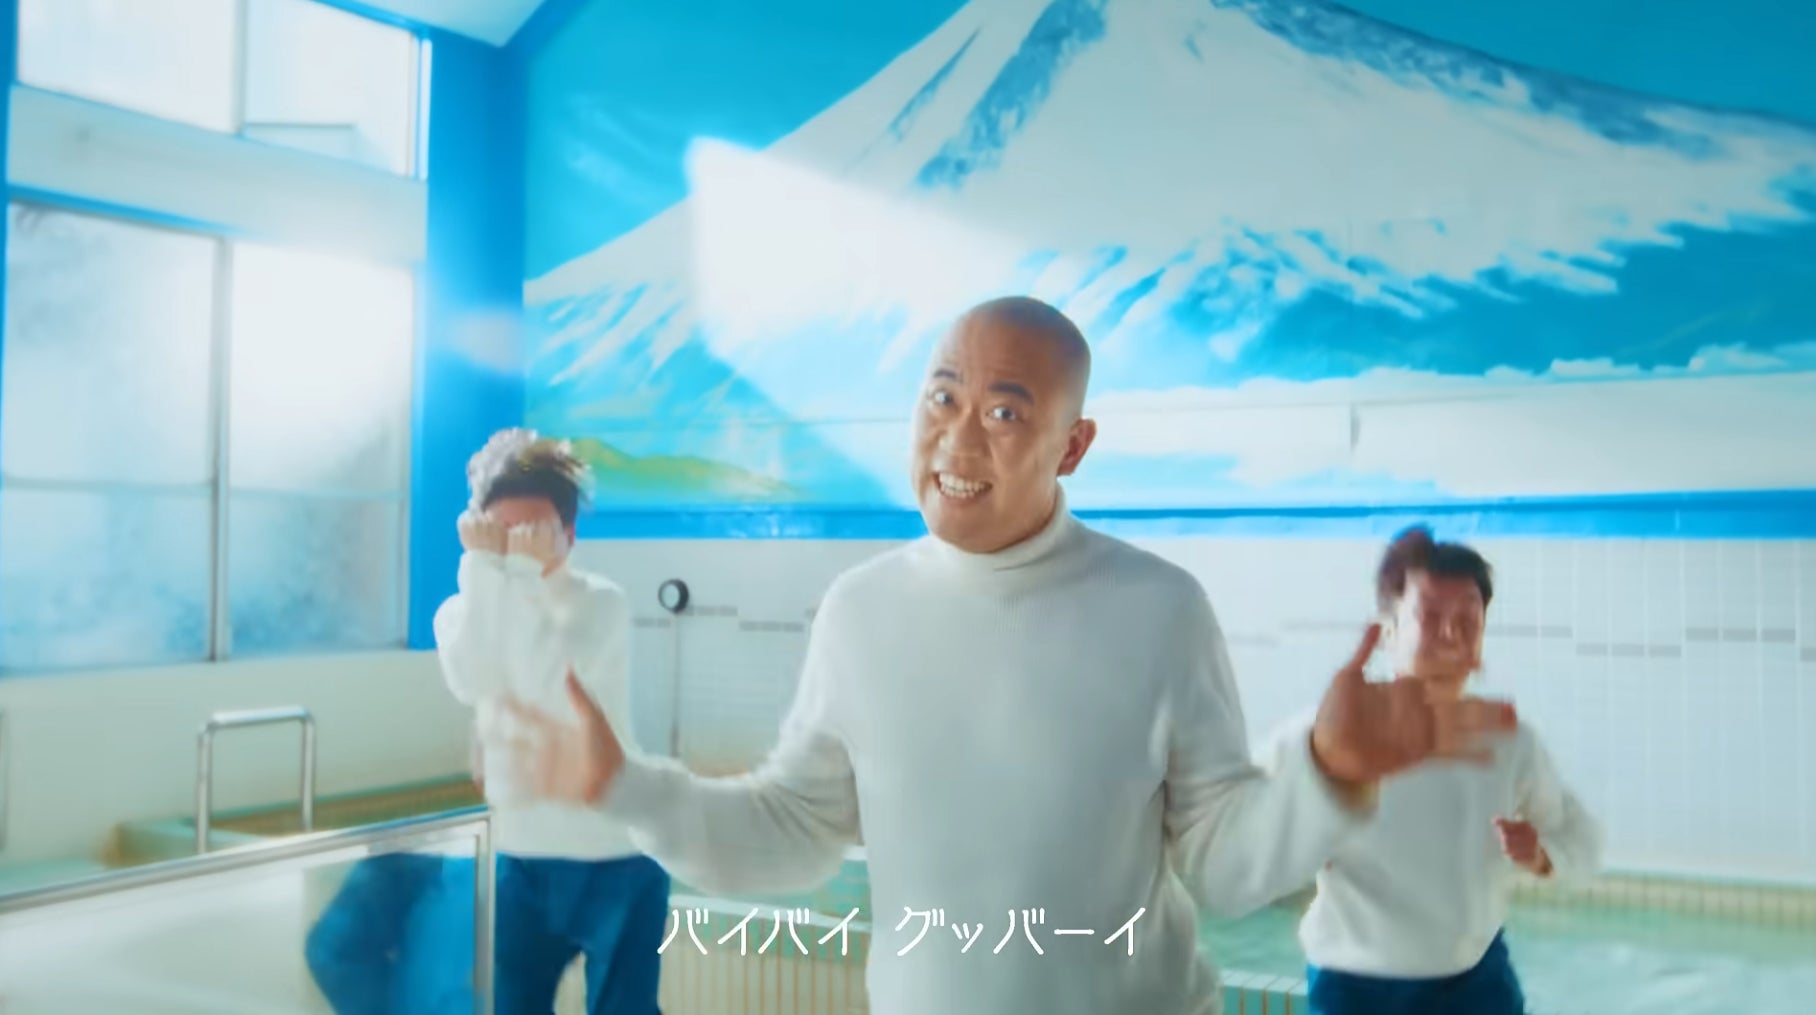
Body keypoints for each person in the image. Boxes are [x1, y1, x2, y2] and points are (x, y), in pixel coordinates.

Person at [502, 297, 1519, 1015]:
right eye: (941, 398)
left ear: (1072, 445)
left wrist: (1327, 774)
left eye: (1004, 412)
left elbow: (1220, 862)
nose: (957, 441)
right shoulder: (861, 610)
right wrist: (625, 785)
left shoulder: (1158, 608)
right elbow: (794, 831)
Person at [1296, 526, 1603, 1015]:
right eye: (1430, 616)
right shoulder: (1339, 734)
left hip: (1473, 981)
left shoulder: (1509, 741)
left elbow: (1578, 836)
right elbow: (1258, 839)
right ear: (1389, 629)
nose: (1450, 634)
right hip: (1353, 984)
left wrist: (1541, 854)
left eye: (1468, 619)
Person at [433, 430, 670, 1014]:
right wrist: (486, 567)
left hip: (619, 856)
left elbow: (545, 679)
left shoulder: (601, 603)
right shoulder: (461, 611)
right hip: (520, 859)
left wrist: (513, 572)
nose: (520, 544)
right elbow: (475, 679)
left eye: (534, 531)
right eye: (504, 532)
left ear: (569, 534)